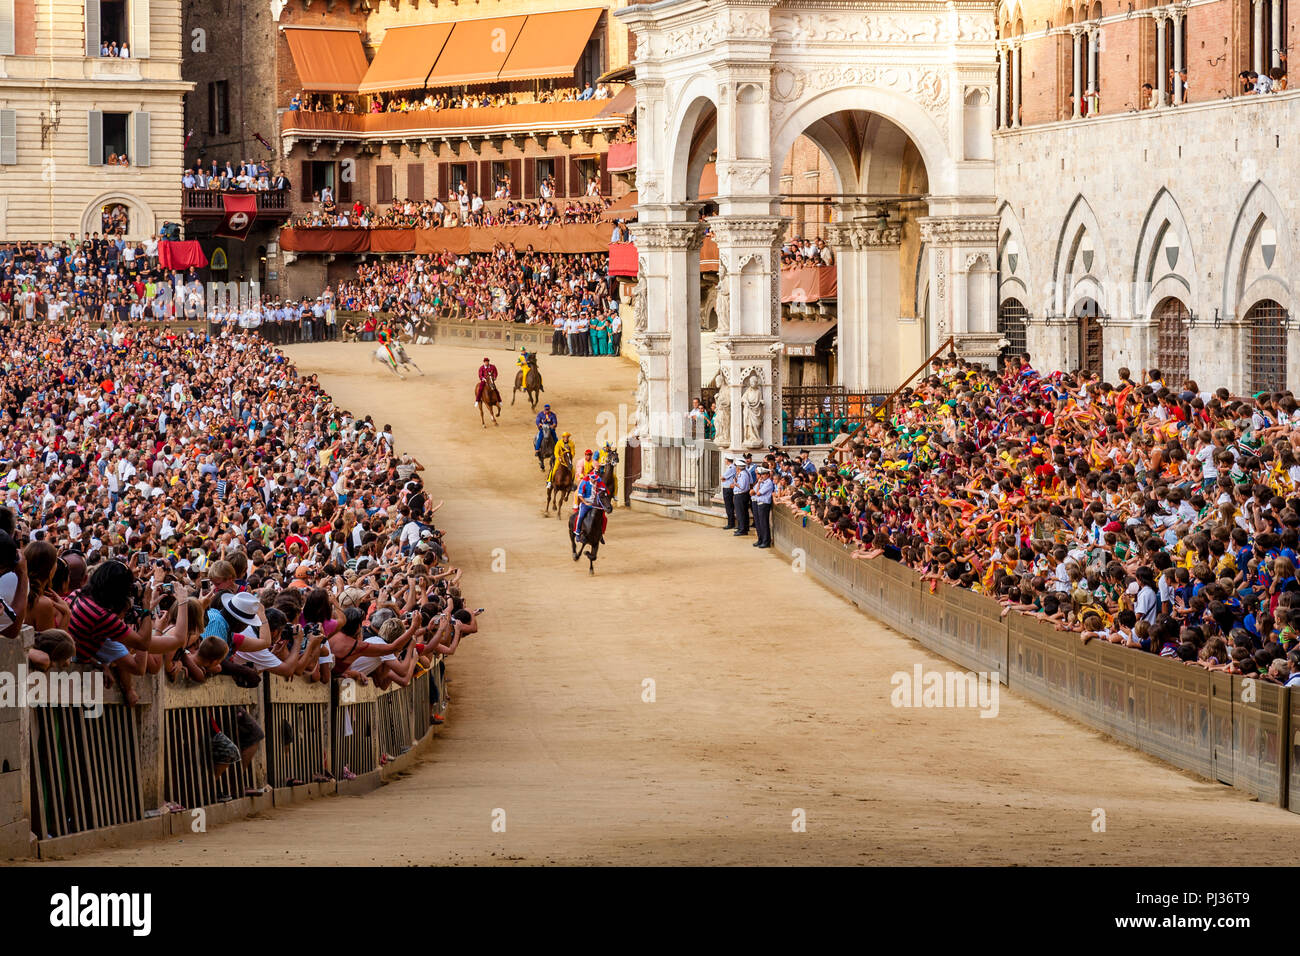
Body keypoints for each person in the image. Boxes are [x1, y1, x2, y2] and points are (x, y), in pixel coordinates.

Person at [752, 465, 774, 549]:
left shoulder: (768, 483)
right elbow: (755, 491)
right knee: (759, 523)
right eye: (761, 474)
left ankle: (766, 541)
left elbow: (757, 493)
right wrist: (759, 483)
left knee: (764, 523)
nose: (762, 476)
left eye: (764, 474)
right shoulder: (762, 482)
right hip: (759, 503)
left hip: (764, 504)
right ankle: (761, 539)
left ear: (768, 474)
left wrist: (759, 484)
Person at [732, 459, 753, 537]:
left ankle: (742, 529)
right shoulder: (743, 473)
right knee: (742, 512)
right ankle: (742, 528)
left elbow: (742, 486)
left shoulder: (743, 474)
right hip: (741, 495)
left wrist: (735, 483)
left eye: (736, 466)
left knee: (741, 513)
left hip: (741, 495)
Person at [720, 454, 737, 530]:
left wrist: (723, 478)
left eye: (725, 459)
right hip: (727, 488)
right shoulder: (731, 467)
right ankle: (730, 523)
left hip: (728, 489)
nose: (725, 461)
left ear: (727, 460)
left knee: (729, 506)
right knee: (729, 506)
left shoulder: (731, 468)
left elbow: (723, 477)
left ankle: (731, 523)